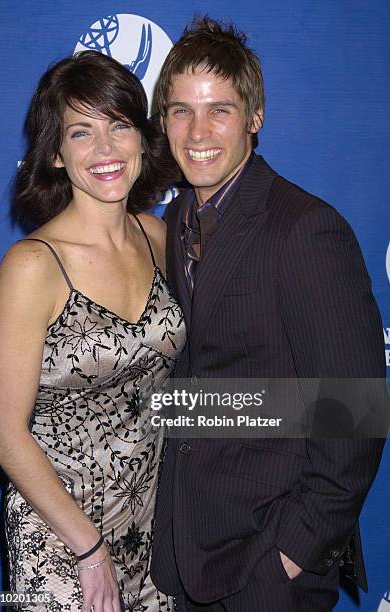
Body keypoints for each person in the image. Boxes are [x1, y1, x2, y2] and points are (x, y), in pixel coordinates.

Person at [150, 16, 387, 612]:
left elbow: (354, 413)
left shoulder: (305, 228)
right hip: (187, 552)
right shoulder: (173, 223)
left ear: (255, 118)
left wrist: (290, 555)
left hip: (266, 564)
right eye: (180, 110)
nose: (197, 130)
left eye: (219, 110)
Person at [0, 50, 185, 612]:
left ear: (142, 140)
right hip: (60, 532)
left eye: (119, 126)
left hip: (150, 524)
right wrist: (89, 550)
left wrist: (332, 409)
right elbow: (5, 432)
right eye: (81, 132)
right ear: (54, 153)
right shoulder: (32, 266)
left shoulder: (157, 236)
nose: (105, 150)